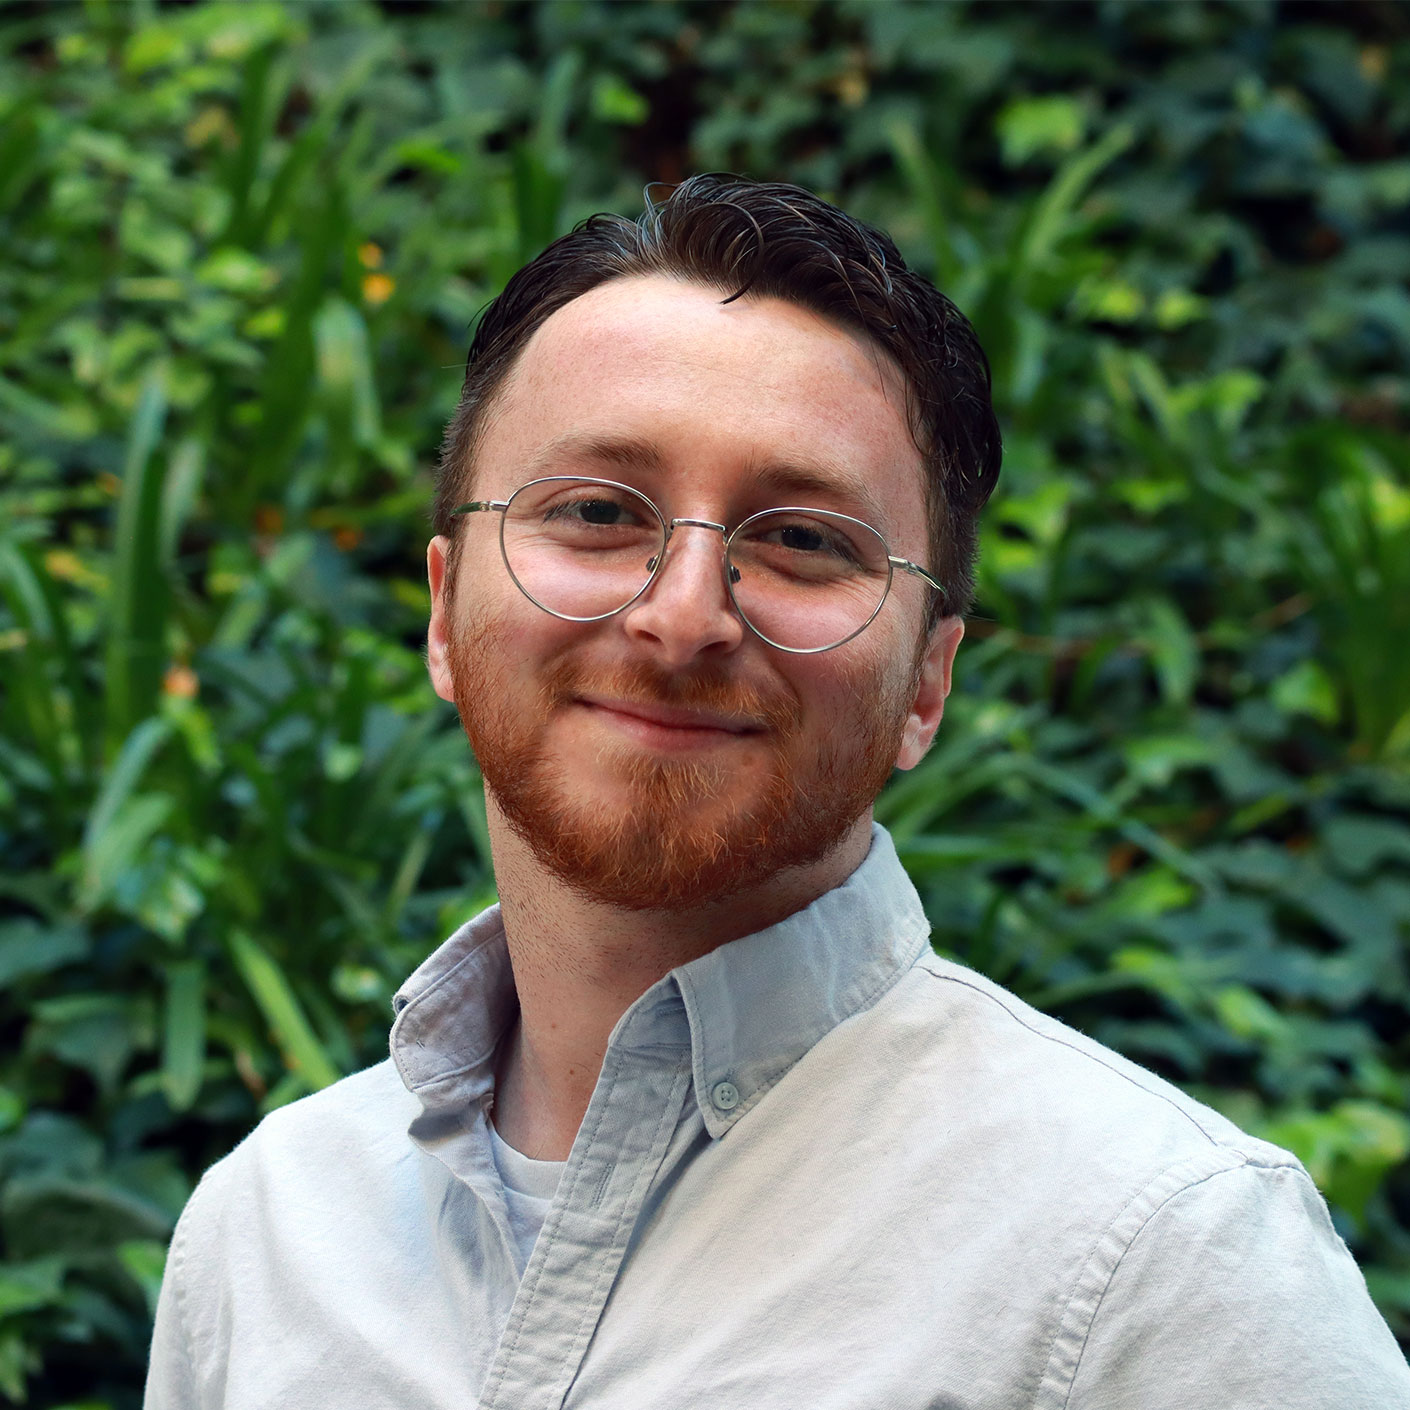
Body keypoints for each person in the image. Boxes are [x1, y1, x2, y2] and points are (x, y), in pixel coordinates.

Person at [145, 175, 1410, 1409]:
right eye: (595, 511)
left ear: (928, 679)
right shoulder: (261, 1238)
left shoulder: (1166, 1270)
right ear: (441, 606)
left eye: (804, 538)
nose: (682, 615)